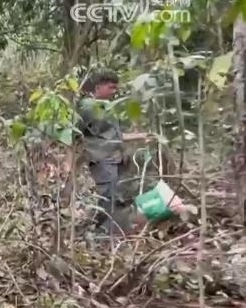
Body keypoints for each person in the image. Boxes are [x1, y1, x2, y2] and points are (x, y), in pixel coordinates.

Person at [77, 71, 193, 236]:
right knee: (108, 197)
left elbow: (117, 136)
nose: (114, 91)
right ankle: (103, 234)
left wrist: (142, 136)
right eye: (111, 87)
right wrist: (71, 161)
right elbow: (75, 134)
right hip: (102, 159)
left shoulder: (109, 108)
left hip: (116, 158)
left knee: (118, 196)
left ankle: (115, 229)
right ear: (98, 87)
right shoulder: (87, 107)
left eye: (116, 88)